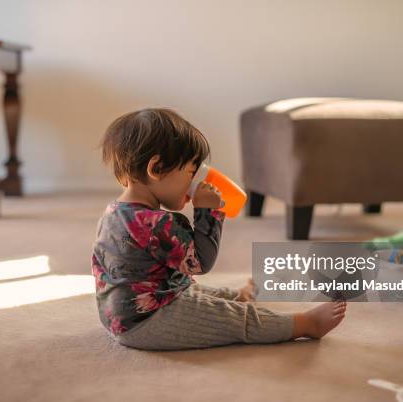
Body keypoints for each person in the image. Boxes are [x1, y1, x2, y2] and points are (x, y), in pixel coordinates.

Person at [92, 108, 346, 350]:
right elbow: (201, 263)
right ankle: (304, 324)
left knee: (194, 290)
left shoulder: (114, 212)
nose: (196, 182)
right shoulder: (157, 223)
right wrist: (207, 212)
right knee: (232, 318)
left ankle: (236, 294)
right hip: (147, 320)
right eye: (192, 173)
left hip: (121, 314)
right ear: (156, 169)